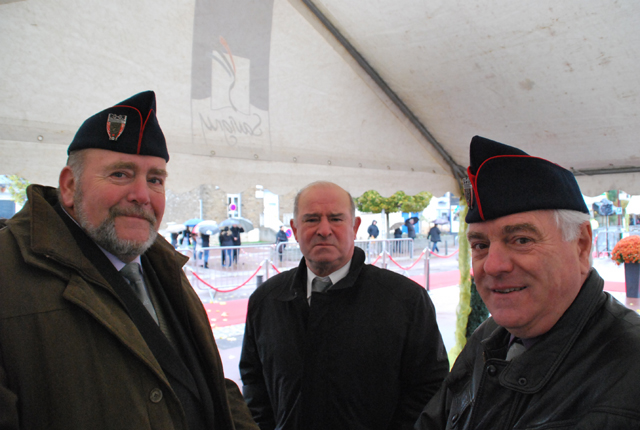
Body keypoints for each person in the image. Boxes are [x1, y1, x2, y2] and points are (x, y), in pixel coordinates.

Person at [0, 91, 257, 430]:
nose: (142, 195)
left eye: (155, 180)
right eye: (120, 174)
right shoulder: (9, 272)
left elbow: (211, 382)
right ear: (70, 186)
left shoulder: (165, 265)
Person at [415, 136, 640, 429]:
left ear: (581, 245)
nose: (493, 265)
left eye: (521, 240)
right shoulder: (488, 338)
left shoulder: (630, 368)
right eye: (480, 245)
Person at [240, 181, 449, 430]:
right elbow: (254, 384)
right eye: (311, 219)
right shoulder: (266, 301)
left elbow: (429, 388)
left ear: (355, 227)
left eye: (336, 219)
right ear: (295, 229)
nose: (324, 230)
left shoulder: (406, 300)